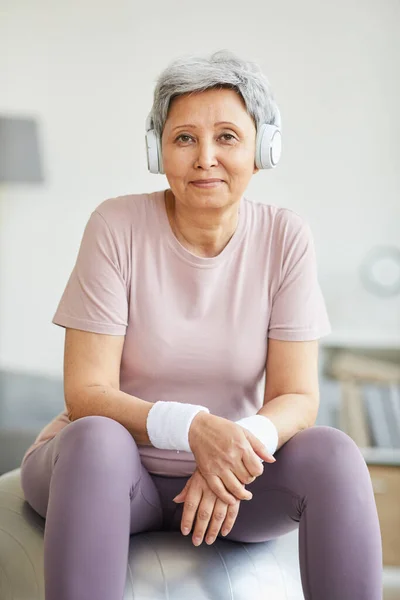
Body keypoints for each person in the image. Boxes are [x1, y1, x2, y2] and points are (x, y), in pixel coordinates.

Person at [20, 49, 383, 600]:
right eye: (184, 137)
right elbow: (87, 391)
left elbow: (296, 396)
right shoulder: (116, 226)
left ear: (263, 149)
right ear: (158, 150)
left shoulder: (285, 237)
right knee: (95, 439)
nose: (204, 157)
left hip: (235, 487)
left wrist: (233, 454)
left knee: (333, 453)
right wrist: (194, 429)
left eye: (228, 137)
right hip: (107, 477)